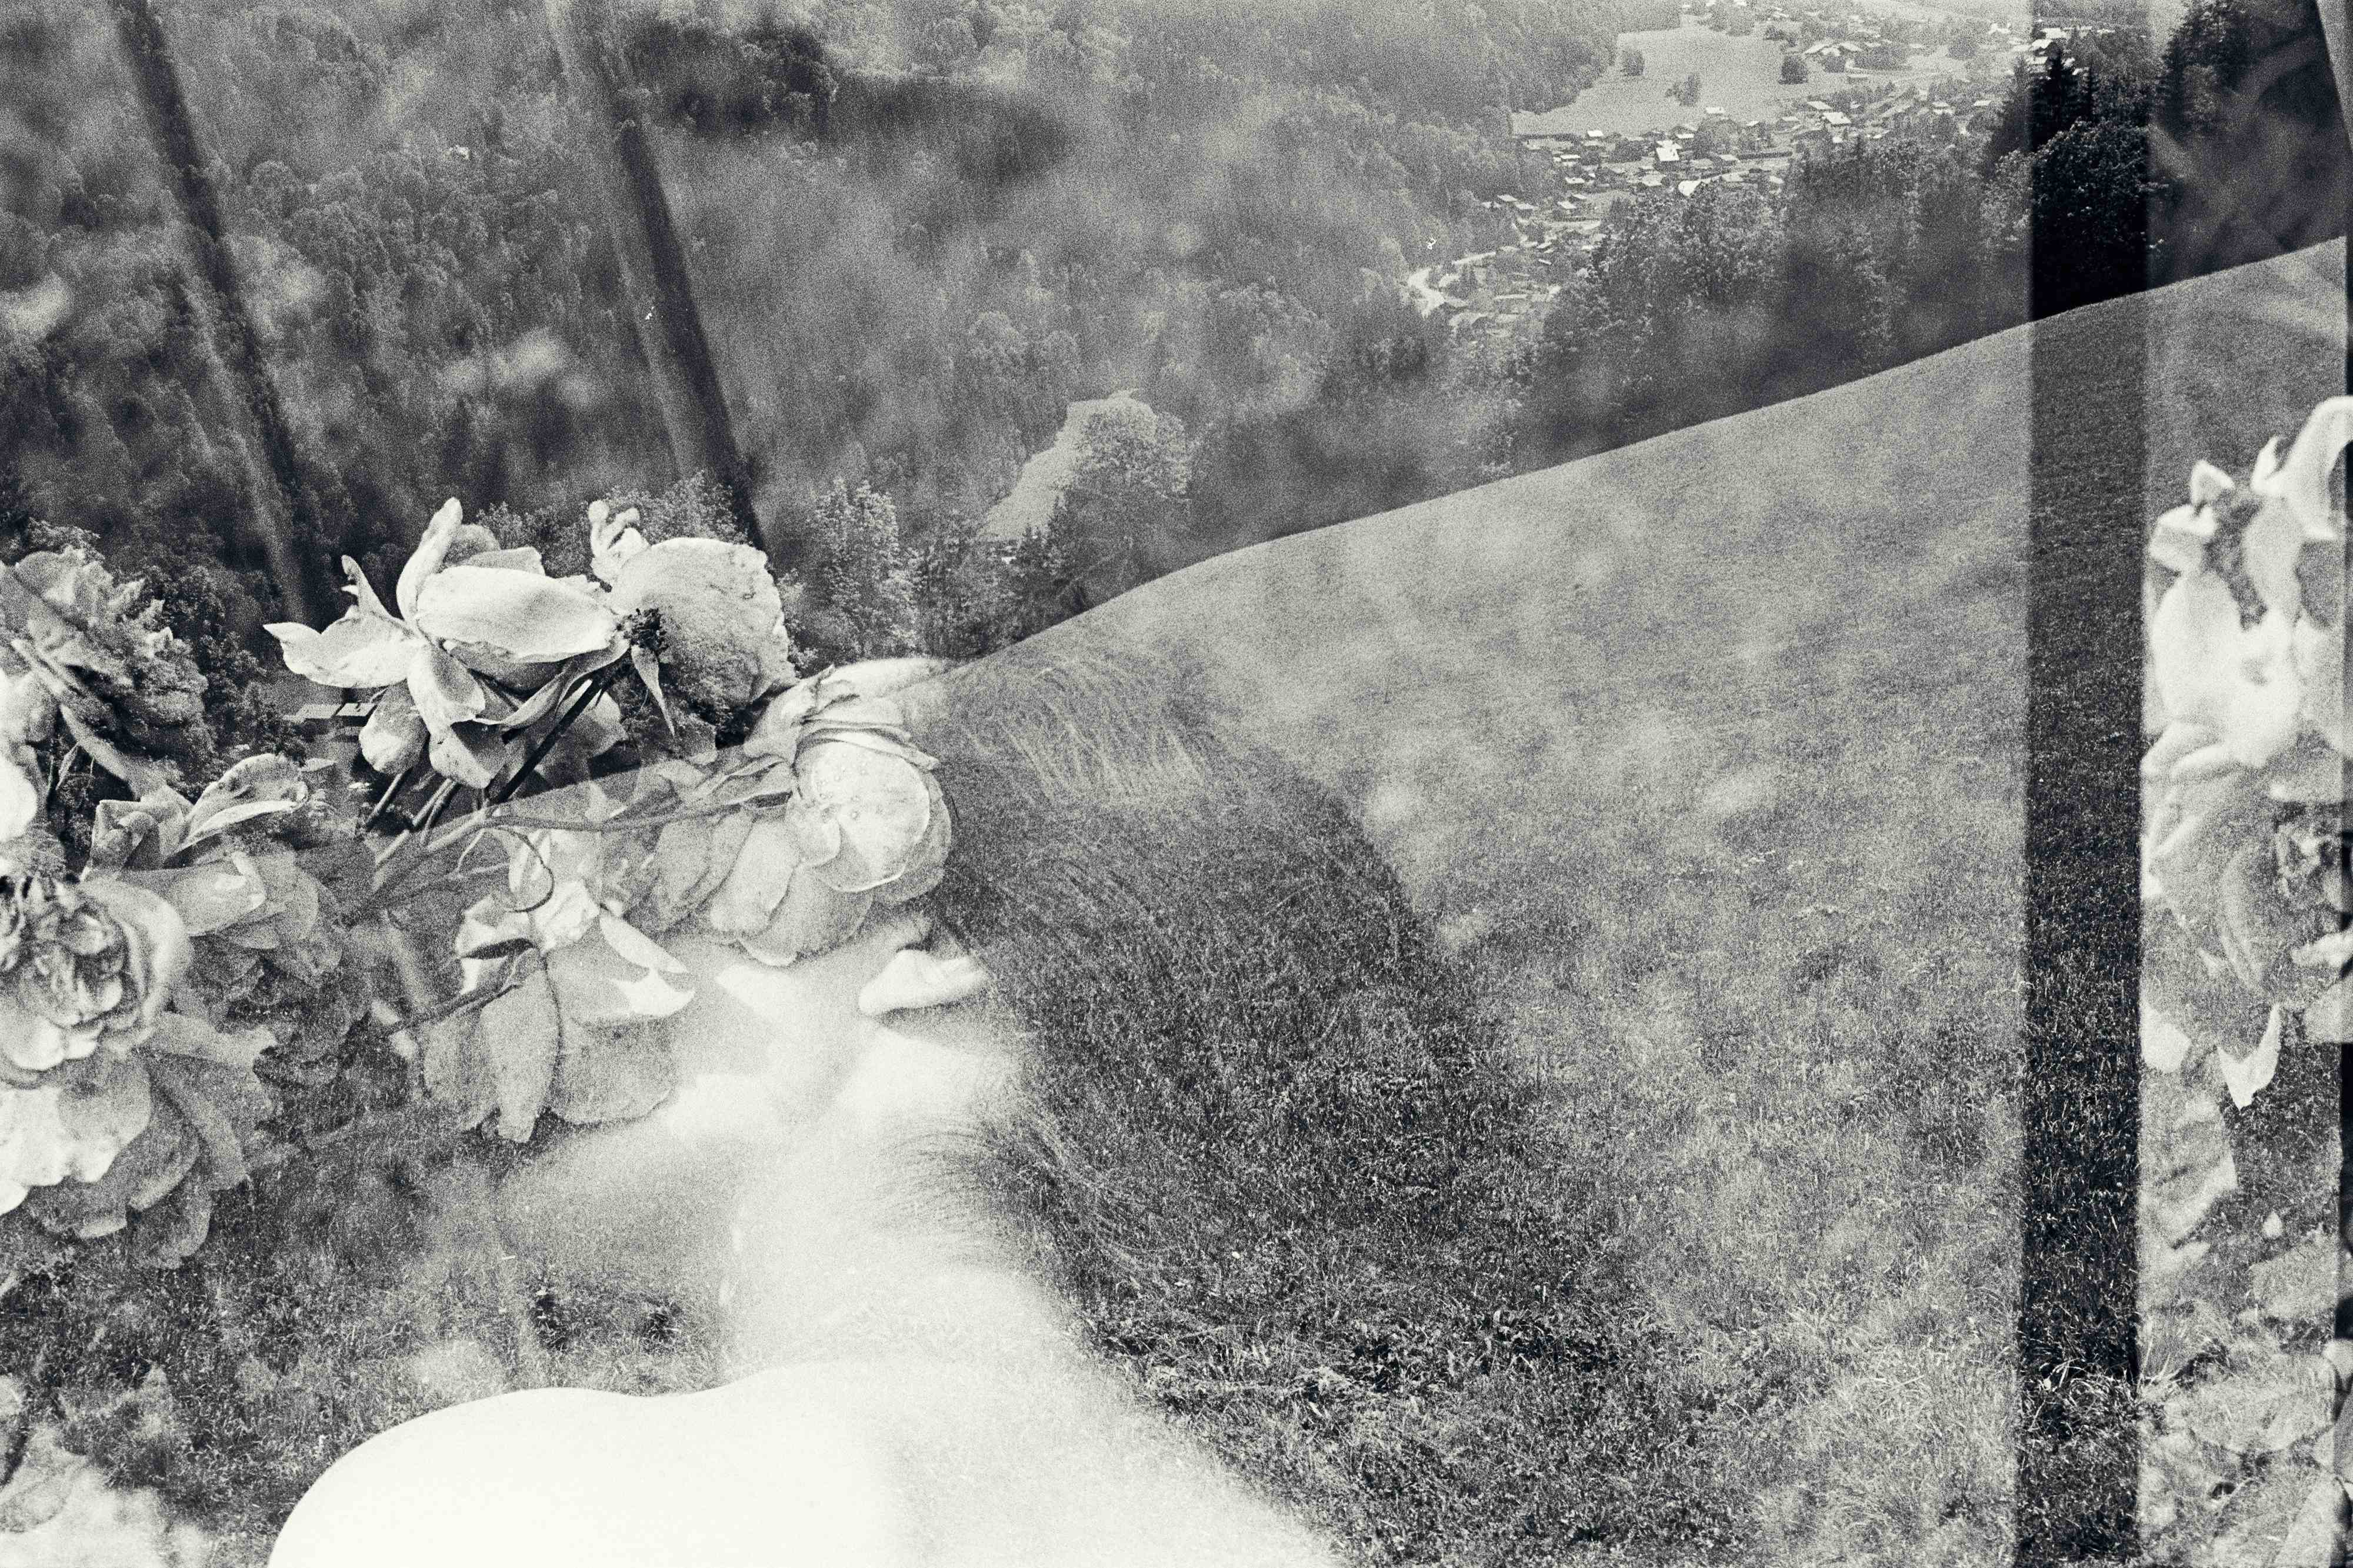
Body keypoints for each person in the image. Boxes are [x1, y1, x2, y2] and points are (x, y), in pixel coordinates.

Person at [271, 642, 1727, 1566]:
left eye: (664, 852)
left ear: (932, 957)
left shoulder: (494, 1515)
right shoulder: (1291, 1534)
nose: (532, 927)